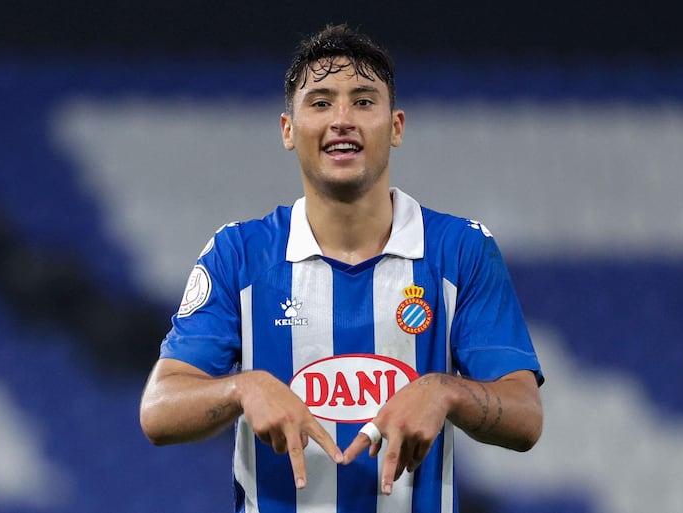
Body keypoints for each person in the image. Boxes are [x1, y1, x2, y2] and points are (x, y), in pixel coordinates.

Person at [140, 23, 544, 513]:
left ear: (396, 126)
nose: (342, 119)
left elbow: (525, 417)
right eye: (321, 102)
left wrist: (444, 392)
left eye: (364, 101)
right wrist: (244, 387)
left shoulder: (461, 251)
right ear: (288, 130)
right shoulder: (238, 256)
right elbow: (159, 410)